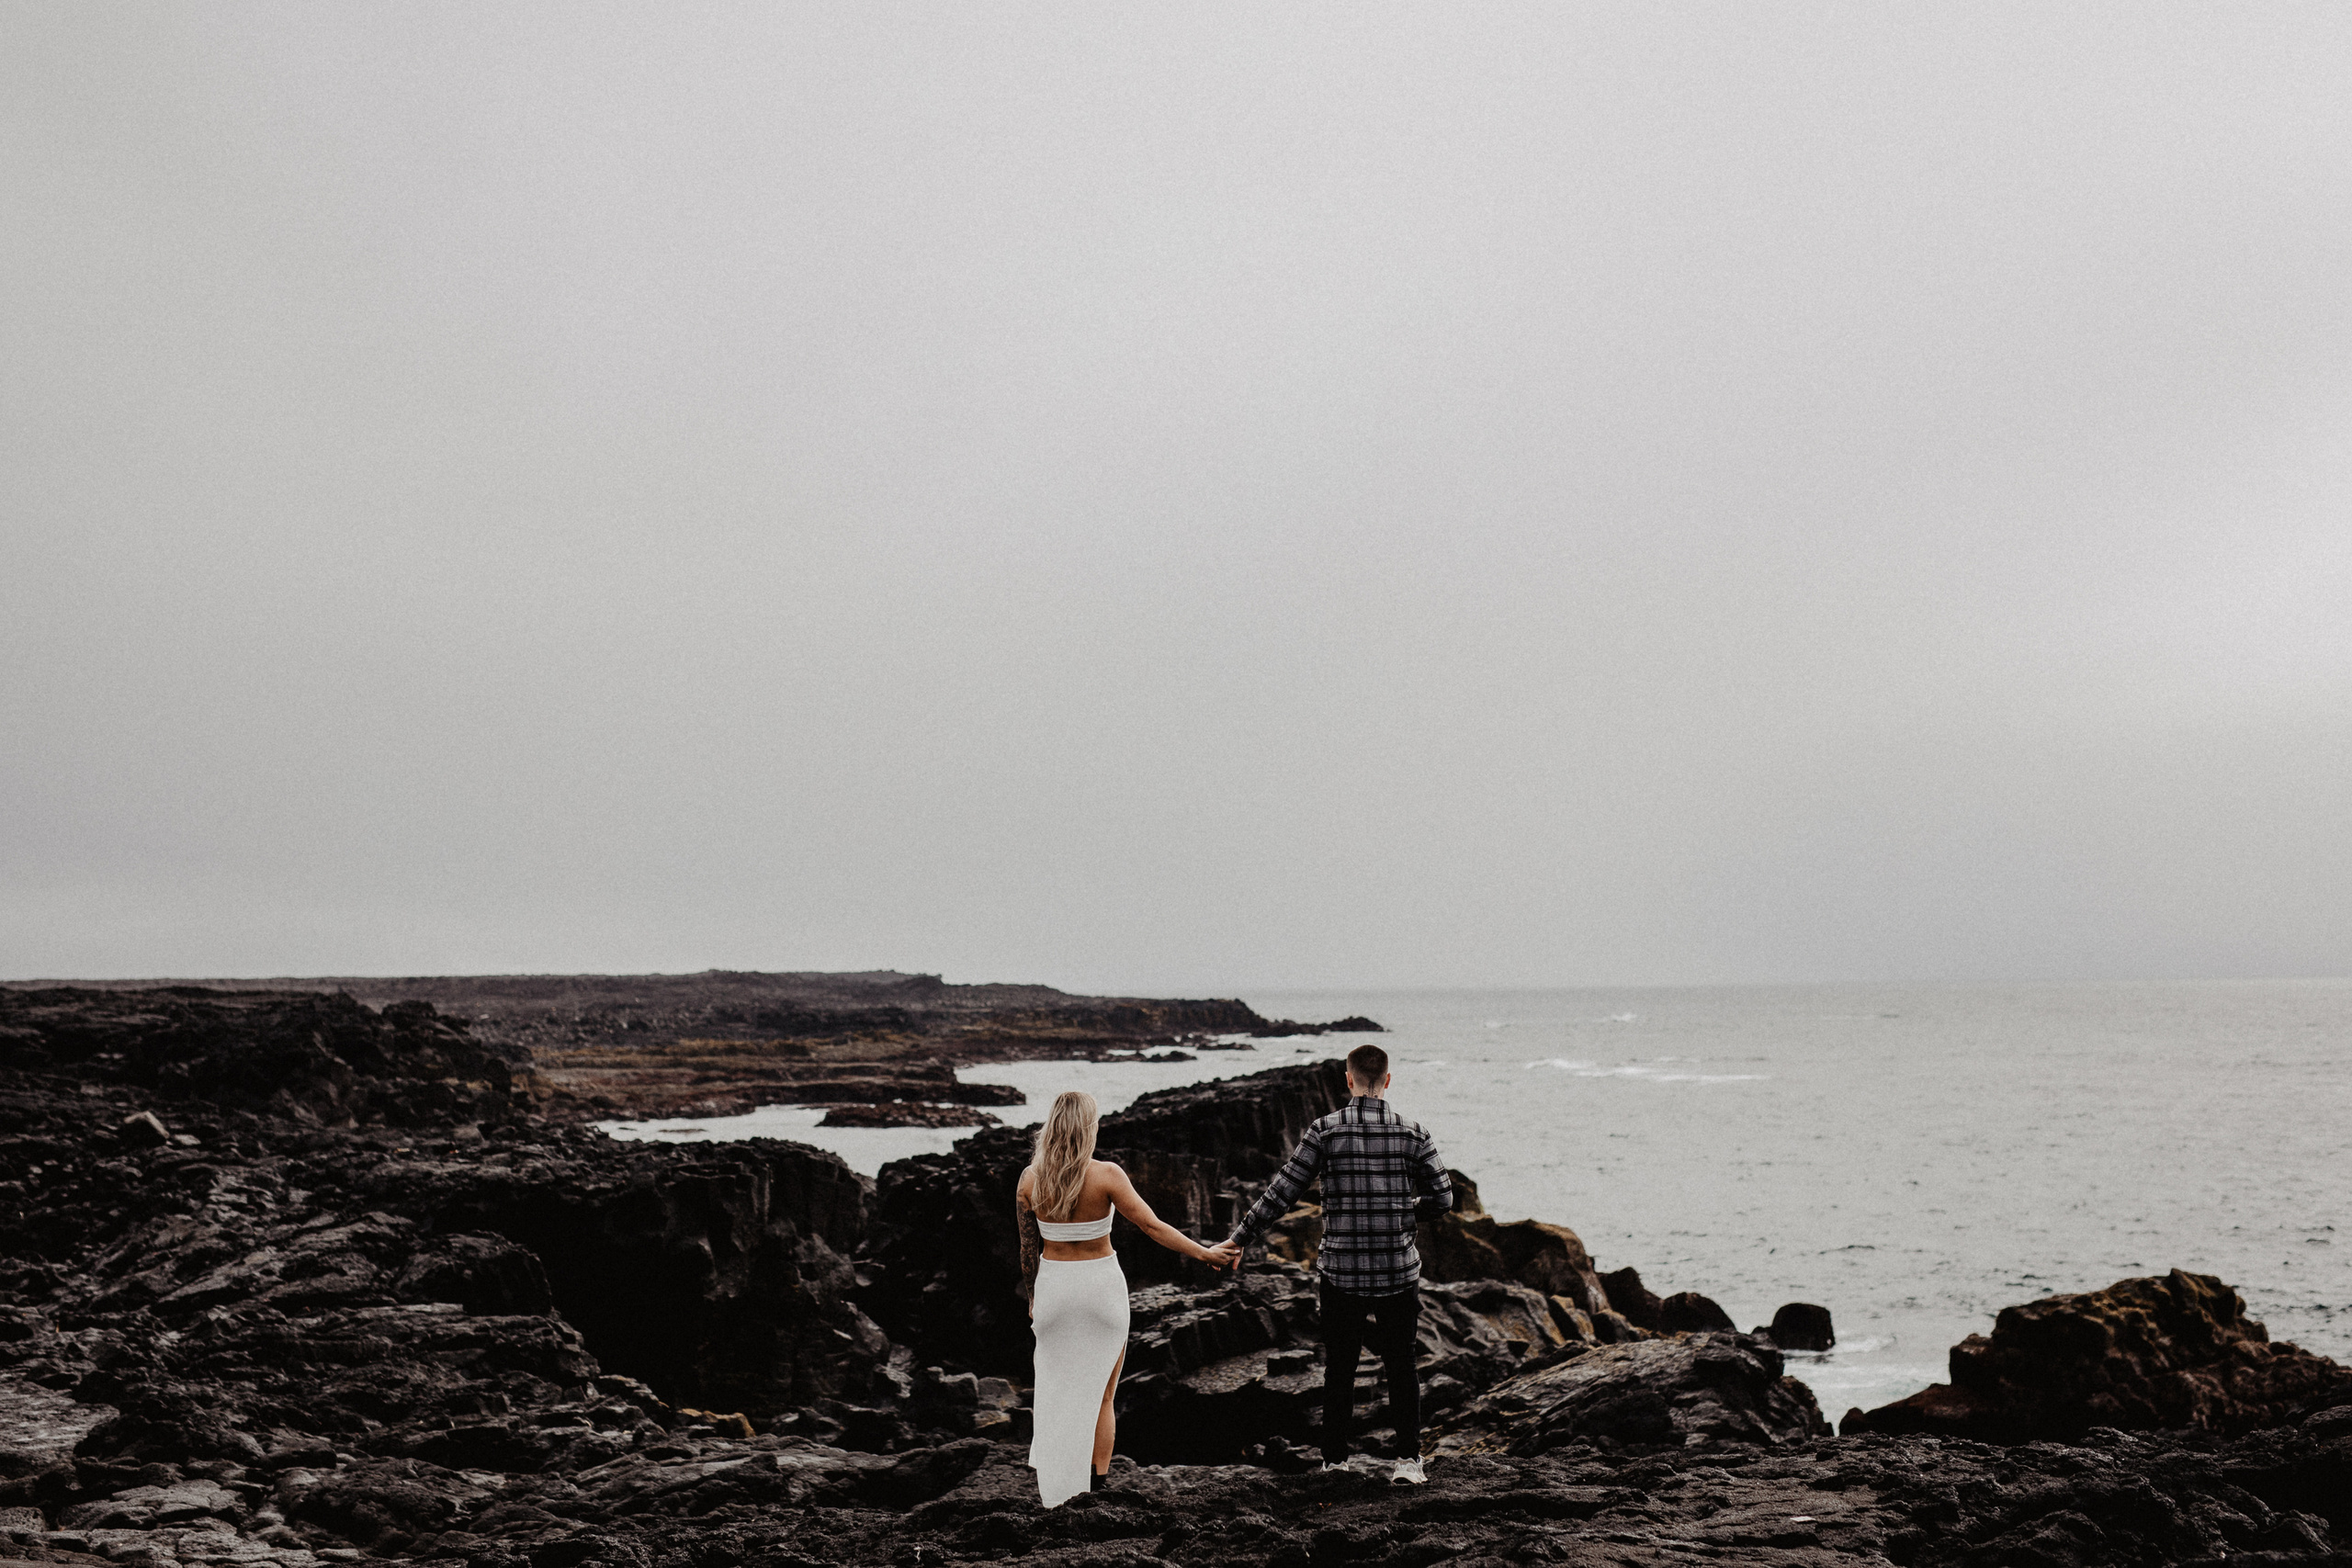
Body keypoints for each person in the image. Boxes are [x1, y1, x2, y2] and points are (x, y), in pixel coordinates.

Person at [1226, 1042, 1453, 1484]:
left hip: (1341, 1273)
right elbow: (1443, 1198)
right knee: (1402, 1365)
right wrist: (1405, 1211)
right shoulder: (1413, 1132)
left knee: (1340, 1367)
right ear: (1387, 1080)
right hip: (1397, 1270)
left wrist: (1238, 1239)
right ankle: (1408, 1462)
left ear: (1348, 1080)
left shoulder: (1324, 1131)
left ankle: (1335, 1462)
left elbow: (1282, 1194)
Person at [1017, 1090, 1240, 1506]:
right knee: (1102, 1395)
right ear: (1088, 1128)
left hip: (1054, 1293)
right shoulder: (1107, 1175)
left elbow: (1028, 1251)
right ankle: (1094, 1490)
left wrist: (1034, 1299)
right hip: (1101, 1293)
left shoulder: (1030, 1179)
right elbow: (1153, 1227)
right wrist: (1206, 1252)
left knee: (1054, 1392)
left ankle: (1054, 1488)